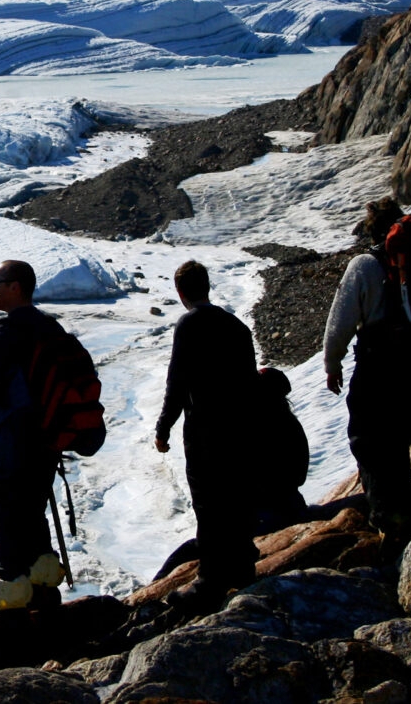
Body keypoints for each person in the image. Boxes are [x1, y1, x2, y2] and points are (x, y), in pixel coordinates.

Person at [323, 197, 411, 547]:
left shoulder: (365, 265)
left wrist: (332, 364)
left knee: (368, 441)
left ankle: (389, 524)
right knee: (398, 437)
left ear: (370, 228)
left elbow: (340, 323)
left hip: (378, 365)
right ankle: (405, 510)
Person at [154, 260, 261, 611]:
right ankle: (243, 566)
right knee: (236, 494)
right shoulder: (236, 326)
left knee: (208, 499)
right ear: (207, 286)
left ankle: (210, 579)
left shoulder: (189, 324)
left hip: (204, 426)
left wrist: (163, 426)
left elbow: (178, 381)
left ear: (181, 291)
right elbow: (250, 381)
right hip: (241, 424)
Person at [0, 260, 67, 616]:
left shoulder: (3, 333)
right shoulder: (52, 328)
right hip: (48, 442)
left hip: (12, 439)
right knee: (33, 512)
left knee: (9, 517)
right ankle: (43, 585)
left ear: (16, 287)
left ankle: (9, 596)